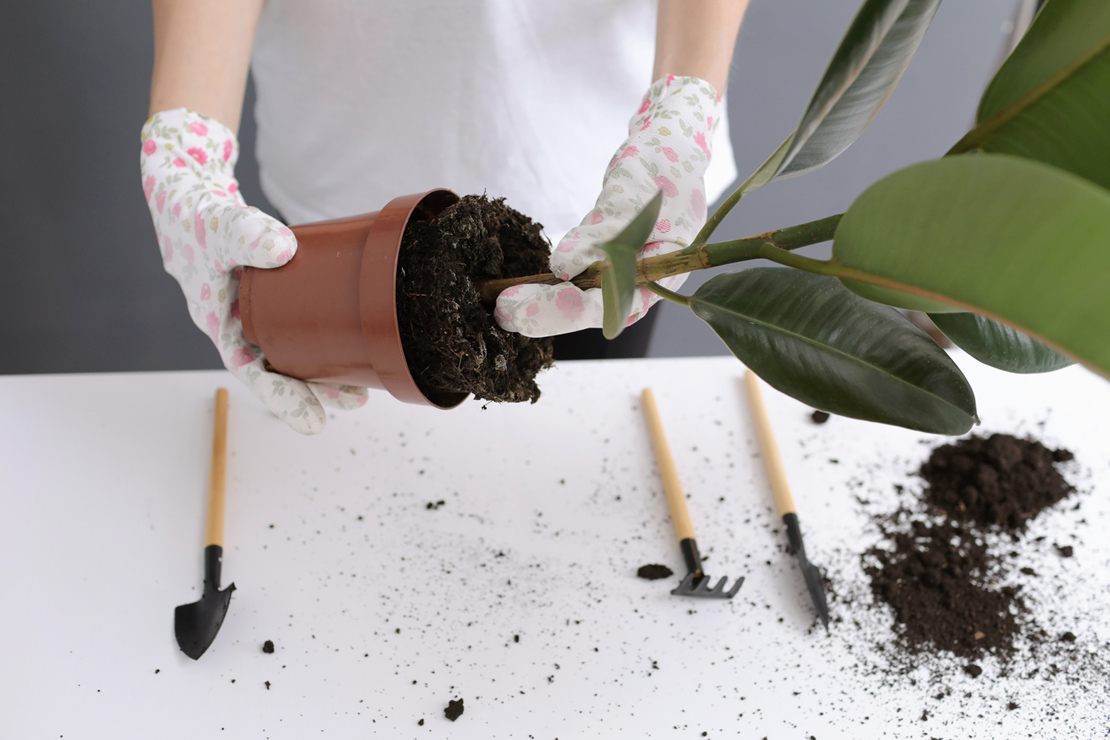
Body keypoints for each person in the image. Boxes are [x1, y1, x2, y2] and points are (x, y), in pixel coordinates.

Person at [142, 0, 749, 434]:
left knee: (577, 455)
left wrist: (683, 106)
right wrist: (182, 153)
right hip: (336, 208)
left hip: (616, 199)